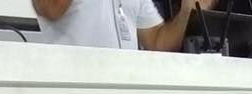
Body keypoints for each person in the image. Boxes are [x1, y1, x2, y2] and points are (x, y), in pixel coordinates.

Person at [32, 0, 217, 52]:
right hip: (72, 91)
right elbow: (49, 8)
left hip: (122, 91)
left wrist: (185, 13)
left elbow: (157, 41)